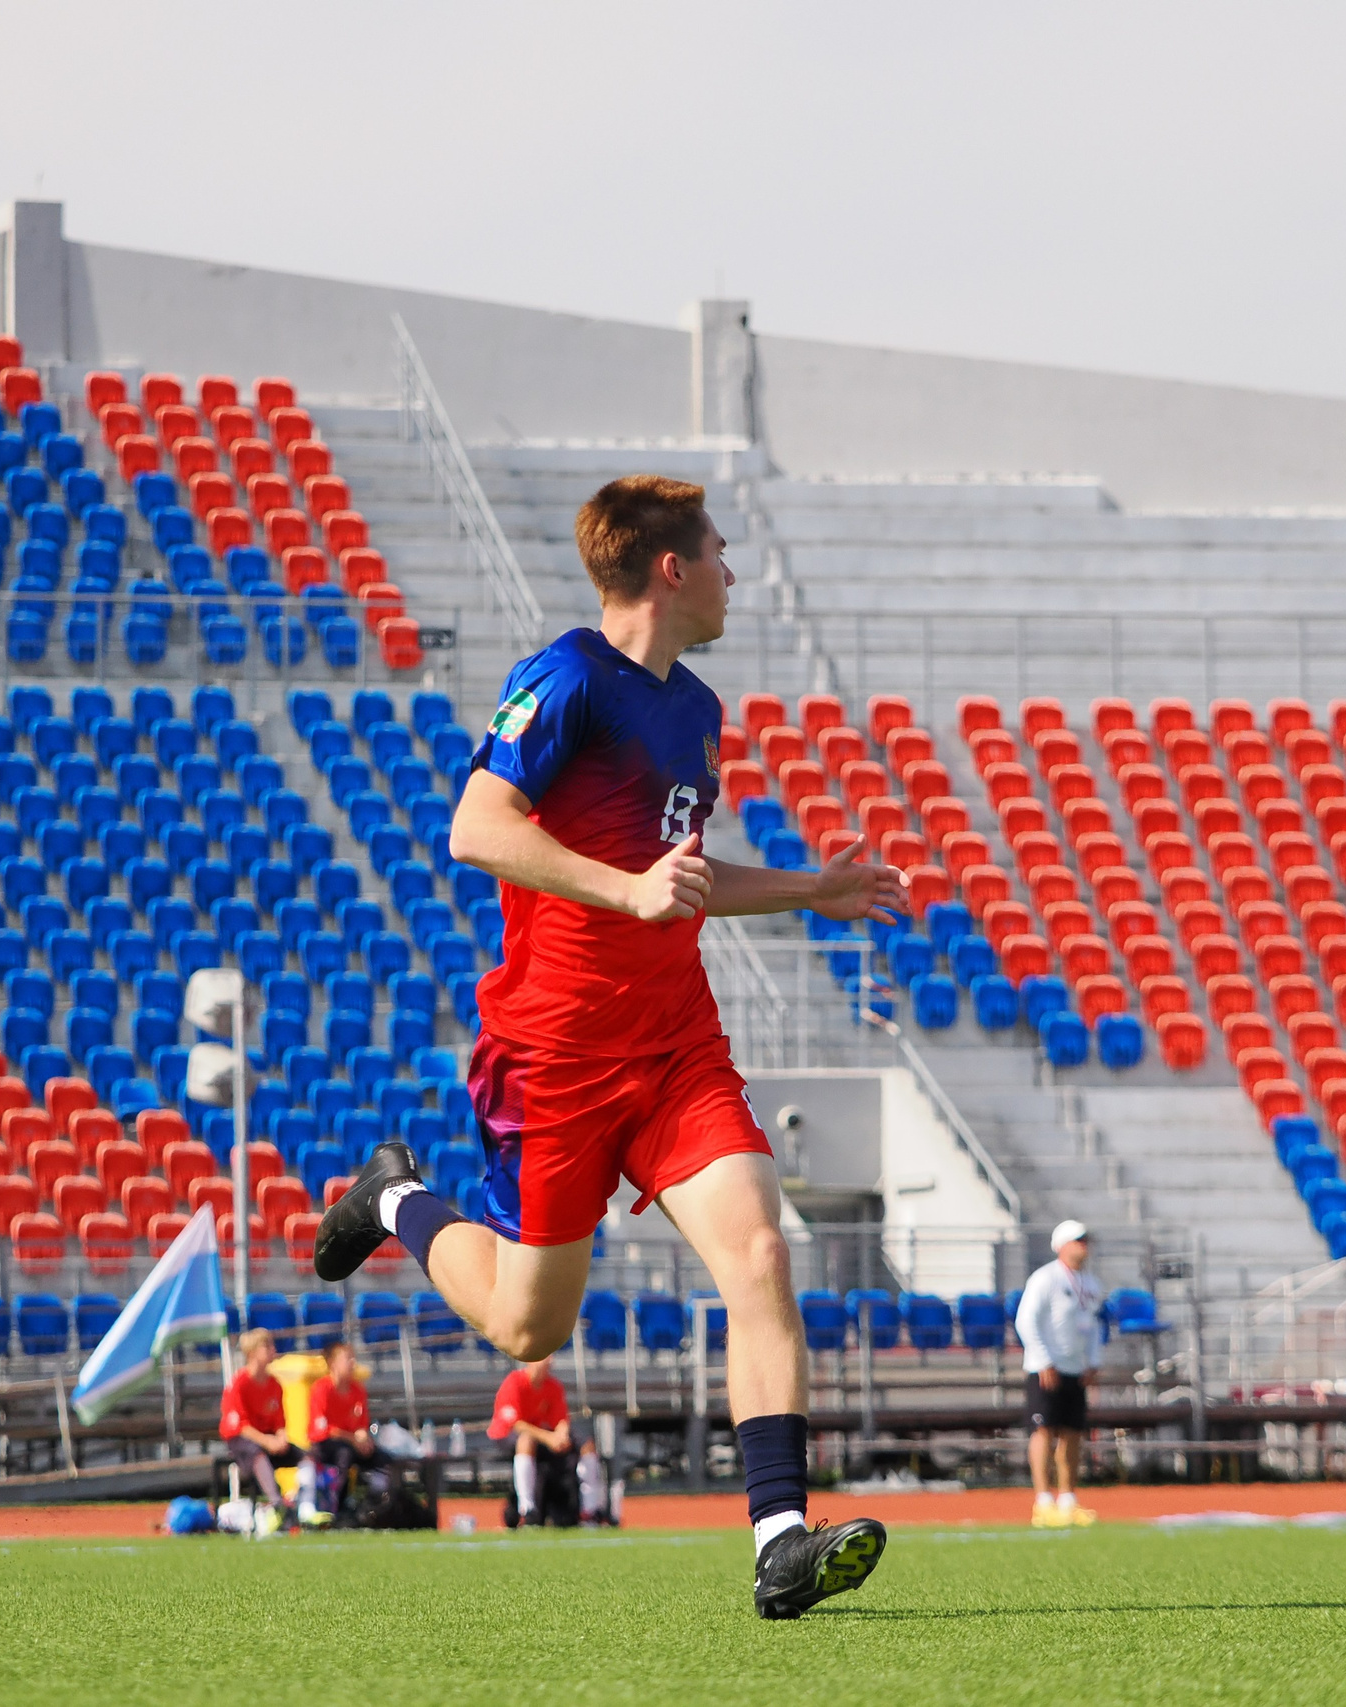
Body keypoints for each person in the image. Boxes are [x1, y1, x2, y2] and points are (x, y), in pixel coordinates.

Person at [314, 475, 905, 1617]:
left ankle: (779, 1542)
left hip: (677, 1050)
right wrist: (622, 891)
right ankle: (395, 1201)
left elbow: (677, 882)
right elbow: (477, 825)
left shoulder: (695, 709)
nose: (735, 572)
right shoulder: (566, 678)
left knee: (762, 1259)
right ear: (670, 570)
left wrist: (809, 890)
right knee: (528, 1328)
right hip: (555, 1061)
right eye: (720, 553)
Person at [1015, 1219, 1104, 1528]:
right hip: (1047, 1369)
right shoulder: (1045, 1278)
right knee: (1044, 1431)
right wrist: (1043, 1361)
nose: (1084, 1246)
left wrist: (1093, 1361)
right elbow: (1027, 1320)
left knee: (1073, 1433)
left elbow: (1093, 1327)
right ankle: (1043, 1502)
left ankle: (1068, 1499)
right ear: (1062, 1245)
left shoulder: (1090, 1283)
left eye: (1085, 1240)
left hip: (1075, 1368)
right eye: (1078, 1240)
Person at [217, 1328, 299, 1532]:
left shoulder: (274, 1384)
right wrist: (267, 1441)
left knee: (306, 1456)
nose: (273, 1349)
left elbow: (279, 1421)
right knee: (258, 1454)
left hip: (267, 1437)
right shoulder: (239, 1384)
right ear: (252, 1352)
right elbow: (241, 1426)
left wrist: (281, 1437)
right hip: (242, 1439)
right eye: (267, 1346)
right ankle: (277, 1505)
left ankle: (304, 1505)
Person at [490, 1354, 574, 1526]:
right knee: (526, 1441)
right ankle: (526, 1509)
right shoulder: (514, 1382)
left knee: (582, 1445)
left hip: (538, 1436)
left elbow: (560, 1418)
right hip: (506, 1434)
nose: (548, 1362)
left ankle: (590, 1512)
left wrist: (561, 1435)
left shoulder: (553, 1386)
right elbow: (516, 1424)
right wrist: (549, 1438)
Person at [305, 1338, 377, 1524]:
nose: (353, 1363)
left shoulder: (357, 1390)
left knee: (381, 1458)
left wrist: (364, 1439)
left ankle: (378, 1505)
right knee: (344, 1455)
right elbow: (323, 1429)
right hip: (325, 1445)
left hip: (352, 1443)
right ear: (333, 1363)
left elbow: (361, 1424)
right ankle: (338, 1507)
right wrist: (353, 1439)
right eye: (348, 1358)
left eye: (353, 1358)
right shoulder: (321, 1389)